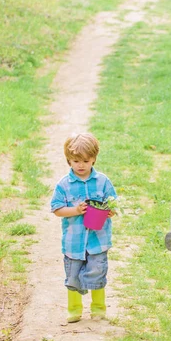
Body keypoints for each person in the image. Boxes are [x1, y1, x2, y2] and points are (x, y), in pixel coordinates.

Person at [50, 133, 117, 323]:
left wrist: (110, 211)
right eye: (76, 161)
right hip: (74, 241)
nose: (81, 165)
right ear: (68, 160)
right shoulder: (64, 185)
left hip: (98, 239)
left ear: (94, 159)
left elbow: (112, 202)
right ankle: (74, 309)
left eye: (86, 161)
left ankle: (98, 308)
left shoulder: (103, 181)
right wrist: (76, 210)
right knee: (73, 276)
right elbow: (56, 209)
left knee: (97, 272)